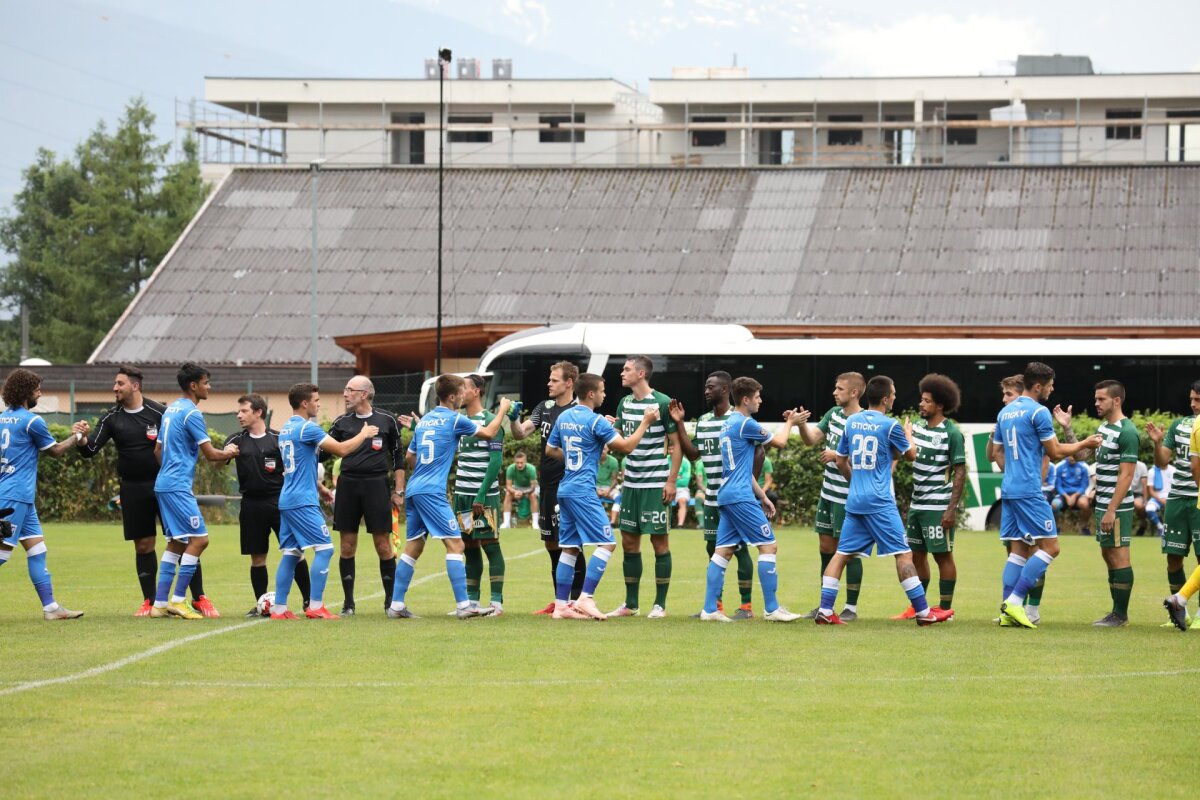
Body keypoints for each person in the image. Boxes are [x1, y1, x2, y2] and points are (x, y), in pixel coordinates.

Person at [72, 365, 212, 616]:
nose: (115, 388)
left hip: (163, 484)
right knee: (144, 545)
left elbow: (176, 443)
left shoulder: (160, 412)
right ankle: (151, 602)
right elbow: (90, 450)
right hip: (133, 488)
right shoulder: (111, 417)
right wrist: (81, 438)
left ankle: (198, 597)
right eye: (115, 384)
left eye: (120, 383)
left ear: (135, 385)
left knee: (185, 538)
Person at [815, 375, 952, 626]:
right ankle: (923, 612)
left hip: (855, 500)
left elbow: (841, 460)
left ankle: (825, 610)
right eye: (895, 394)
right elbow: (911, 456)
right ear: (886, 399)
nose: (896, 398)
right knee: (903, 554)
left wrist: (854, 482)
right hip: (880, 501)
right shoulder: (890, 426)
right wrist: (909, 435)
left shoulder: (852, 422)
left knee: (841, 554)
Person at [387, 375, 511, 619]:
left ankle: (396, 605)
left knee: (414, 546)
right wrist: (503, 410)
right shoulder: (455, 420)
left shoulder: (424, 422)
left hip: (414, 489)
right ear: (453, 396)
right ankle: (464, 606)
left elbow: (411, 458)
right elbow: (489, 432)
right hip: (432, 492)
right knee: (457, 544)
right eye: (462, 390)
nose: (465, 394)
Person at [994, 362, 1101, 629]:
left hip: (1009, 489)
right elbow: (1054, 452)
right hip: (1029, 490)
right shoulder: (1038, 412)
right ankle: (1016, 602)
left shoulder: (1005, 412)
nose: (1052, 390)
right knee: (1051, 547)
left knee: (1018, 552)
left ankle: (1008, 611)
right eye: (1051, 385)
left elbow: (995, 453)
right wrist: (1085, 442)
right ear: (1039, 386)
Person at [544, 373, 659, 620]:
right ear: (592, 394)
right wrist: (645, 422)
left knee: (570, 548)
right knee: (607, 543)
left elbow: (550, 449)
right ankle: (585, 598)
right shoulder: (596, 422)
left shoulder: (565, 416)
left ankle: (562, 606)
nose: (606, 395)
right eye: (603, 390)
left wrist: (581, 456)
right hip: (583, 491)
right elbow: (627, 447)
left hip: (565, 489)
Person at [701, 377, 807, 623]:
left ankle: (709, 609)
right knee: (768, 546)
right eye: (758, 397)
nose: (761, 400)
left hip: (727, 494)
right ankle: (772, 609)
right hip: (739, 497)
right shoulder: (745, 423)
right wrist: (790, 422)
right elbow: (779, 442)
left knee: (723, 552)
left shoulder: (728, 424)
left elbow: (743, 470)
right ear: (746, 399)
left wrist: (762, 496)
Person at [269, 383, 378, 620]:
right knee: (326, 549)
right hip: (301, 501)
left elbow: (298, 465)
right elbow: (340, 450)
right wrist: (363, 434)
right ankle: (316, 606)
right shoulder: (307, 429)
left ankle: (279, 608)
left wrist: (319, 487)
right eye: (316, 400)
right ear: (305, 403)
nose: (319, 404)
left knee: (292, 552)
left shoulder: (286, 428)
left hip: (287, 498)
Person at [150, 362, 239, 619]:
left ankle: (158, 604)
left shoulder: (170, 411)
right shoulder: (191, 413)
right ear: (194, 385)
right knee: (200, 539)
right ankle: (178, 600)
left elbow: (157, 451)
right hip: (176, 486)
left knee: (176, 542)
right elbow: (211, 455)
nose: (208, 387)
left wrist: (169, 470)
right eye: (206, 382)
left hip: (163, 483)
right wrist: (231, 452)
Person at [669, 371, 756, 619]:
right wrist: (679, 423)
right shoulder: (705, 421)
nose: (706, 391)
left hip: (736, 498)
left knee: (739, 550)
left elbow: (759, 453)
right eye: (706, 387)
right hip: (711, 497)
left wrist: (746, 487)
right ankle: (715, 607)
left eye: (711, 387)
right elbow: (694, 454)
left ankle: (746, 607)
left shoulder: (739, 418)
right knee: (712, 548)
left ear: (726, 390)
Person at [0, 368, 85, 620]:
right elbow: (56, 451)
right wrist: (77, 435)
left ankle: (51, 608)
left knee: (37, 549)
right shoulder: (32, 421)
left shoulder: (1, 418)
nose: (40, 392)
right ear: (26, 392)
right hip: (16, 496)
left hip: (16, 495)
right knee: (2, 553)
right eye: (37, 389)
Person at [225, 393, 312, 616]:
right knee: (257, 557)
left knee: (295, 552)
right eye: (239, 411)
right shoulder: (236, 440)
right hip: (251, 505)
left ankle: (308, 601)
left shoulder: (278, 438)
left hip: (279, 503)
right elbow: (218, 462)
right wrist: (225, 454)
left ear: (258, 412)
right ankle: (262, 604)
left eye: (244, 411)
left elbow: (294, 467)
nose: (239, 415)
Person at [325, 375, 406, 616]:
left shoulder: (387, 420)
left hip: (376, 486)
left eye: (350, 390)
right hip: (348, 485)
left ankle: (390, 603)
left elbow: (398, 458)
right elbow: (322, 452)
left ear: (364, 394)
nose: (345, 393)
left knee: (383, 546)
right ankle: (348, 604)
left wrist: (399, 491)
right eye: (345, 389)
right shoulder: (341, 423)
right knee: (347, 546)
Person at [508, 362, 585, 613]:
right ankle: (560, 600)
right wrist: (513, 419)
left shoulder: (580, 409)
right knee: (551, 542)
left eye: (554, 380)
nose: (548, 384)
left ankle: (577, 600)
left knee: (571, 542)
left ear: (569, 382)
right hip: (548, 485)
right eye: (549, 380)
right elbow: (521, 434)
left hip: (571, 485)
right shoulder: (544, 407)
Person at [610, 356, 682, 619]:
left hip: (655, 484)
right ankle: (631, 604)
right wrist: (611, 427)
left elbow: (676, 446)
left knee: (659, 543)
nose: (622, 373)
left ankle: (659, 605)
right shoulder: (624, 403)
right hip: (631, 482)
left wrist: (671, 481)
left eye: (627, 369)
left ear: (641, 374)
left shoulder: (663, 403)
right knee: (629, 542)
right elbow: (619, 436)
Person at [893, 374, 966, 620]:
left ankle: (946, 608)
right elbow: (907, 455)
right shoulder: (916, 427)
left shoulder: (952, 433)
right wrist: (906, 436)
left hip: (938, 505)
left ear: (940, 405)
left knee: (942, 555)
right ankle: (918, 606)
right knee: (916, 555)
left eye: (927, 401)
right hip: (917, 504)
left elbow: (959, 471)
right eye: (921, 400)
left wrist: (951, 508)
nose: (921, 404)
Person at [794, 372, 865, 620]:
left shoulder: (863, 421)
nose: (834, 392)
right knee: (826, 547)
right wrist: (801, 424)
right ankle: (826, 604)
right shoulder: (832, 415)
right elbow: (812, 440)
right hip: (828, 493)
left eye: (840, 389)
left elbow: (866, 459)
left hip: (849, 496)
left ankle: (851, 608)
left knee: (849, 550)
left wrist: (837, 455)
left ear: (854, 392)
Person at [454, 374, 506, 615]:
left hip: (481, 496)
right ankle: (472, 603)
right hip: (462, 495)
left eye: (463, 388)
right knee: (469, 547)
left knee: (490, 545)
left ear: (476, 391)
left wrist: (481, 495)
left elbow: (495, 463)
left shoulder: (490, 421)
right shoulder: (460, 422)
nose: (459, 392)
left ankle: (496, 602)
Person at [1089, 380, 1139, 627]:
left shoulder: (1127, 431)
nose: (1096, 403)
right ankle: (1116, 613)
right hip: (1103, 505)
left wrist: (1111, 510)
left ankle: (1120, 615)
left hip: (1116, 507)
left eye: (1101, 399)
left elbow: (1127, 476)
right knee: (1108, 554)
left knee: (1119, 556)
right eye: (1096, 399)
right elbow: (1082, 455)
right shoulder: (1104, 427)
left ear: (1116, 400)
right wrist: (1067, 428)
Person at [1148, 382, 1199, 626]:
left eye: (1198, 400)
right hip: (1177, 498)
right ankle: (1181, 613)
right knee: (1173, 557)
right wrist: (1158, 443)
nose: (1193, 404)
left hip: (1198, 499)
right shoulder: (1179, 425)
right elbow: (1162, 461)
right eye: (1191, 399)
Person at [1163, 419, 1200, 630]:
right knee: (1173, 556)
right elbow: (1196, 466)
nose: (1193, 404)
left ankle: (1180, 599)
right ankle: (1181, 602)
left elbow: (1195, 465)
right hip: (1183, 498)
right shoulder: (1194, 426)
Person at [1051, 455, 1092, 532]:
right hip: (1063, 495)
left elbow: (1084, 485)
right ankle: (1056, 526)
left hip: (1079, 494)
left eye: (1074, 455)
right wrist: (1066, 496)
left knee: (1085, 504)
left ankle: (1084, 526)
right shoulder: (1059, 466)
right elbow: (1058, 485)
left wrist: (1074, 496)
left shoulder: (1084, 466)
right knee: (1054, 505)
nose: (1072, 457)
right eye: (1070, 454)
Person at [501, 450, 538, 528]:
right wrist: (515, 492)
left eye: (521, 462)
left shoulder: (531, 469)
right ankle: (506, 523)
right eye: (517, 463)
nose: (519, 465)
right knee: (508, 494)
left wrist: (522, 492)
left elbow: (533, 487)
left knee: (533, 495)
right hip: (517, 488)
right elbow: (508, 486)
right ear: (514, 462)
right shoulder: (510, 468)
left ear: (525, 462)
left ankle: (535, 523)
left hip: (530, 488)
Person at [672, 442, 692, 528]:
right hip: (666, 487)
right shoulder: (665, 460)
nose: (672, 451)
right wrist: (677, 477)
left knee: (682, 501)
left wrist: (671, 478)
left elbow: (685, 481)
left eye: (674, 449)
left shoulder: (686, 462)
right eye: (670, 449)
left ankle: (680, 525)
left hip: (681, 489)